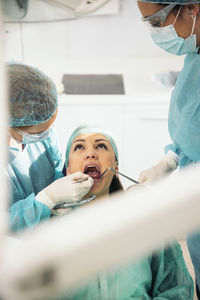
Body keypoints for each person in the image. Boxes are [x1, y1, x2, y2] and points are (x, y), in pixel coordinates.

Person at [55, 123, 193, 300]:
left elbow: (176, 290)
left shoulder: (145, 222)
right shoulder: (51, 227)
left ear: (116, 167)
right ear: (67, 169)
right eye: (79, 147)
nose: (90, 153)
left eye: (101, 146)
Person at [136, 1, 200, 298]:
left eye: (157, 20)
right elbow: (191, 127)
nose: (156, 31)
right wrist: (172, 159)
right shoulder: (195, 54)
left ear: (192, 9)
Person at [7, 63, 93, 233]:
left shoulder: (43, 135)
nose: (45, 136)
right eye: (38, 132)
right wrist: (47, 200)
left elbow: (55, 171)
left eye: (49, 128)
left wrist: (61, 195)